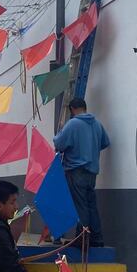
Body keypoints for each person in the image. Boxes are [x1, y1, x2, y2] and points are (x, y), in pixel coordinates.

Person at [53, 97, 110, 246]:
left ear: (72, 109)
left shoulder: (73, 124)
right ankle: (97, 239)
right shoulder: (97, 124)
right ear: (85, 107)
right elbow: (105, 142)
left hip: (76, 170)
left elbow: (59, 144)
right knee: (91, 205)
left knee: (80, 206)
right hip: (92, 171)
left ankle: (82, 240)